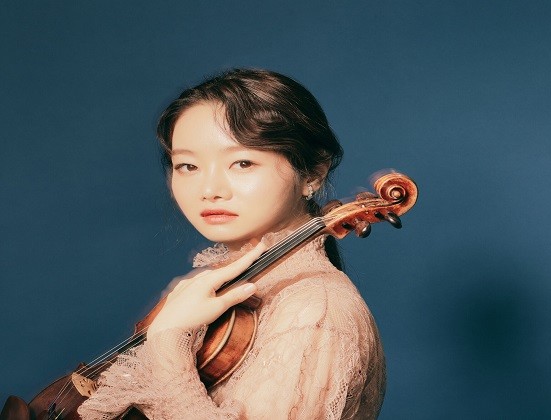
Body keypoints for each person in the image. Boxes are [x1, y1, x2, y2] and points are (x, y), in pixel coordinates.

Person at [78, 69, 386, 419]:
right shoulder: (221, 284)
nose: (209, 190)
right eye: (187, 166)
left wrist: (168, 345)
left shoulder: (316, 311)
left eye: (242, 163)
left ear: (312, 174)